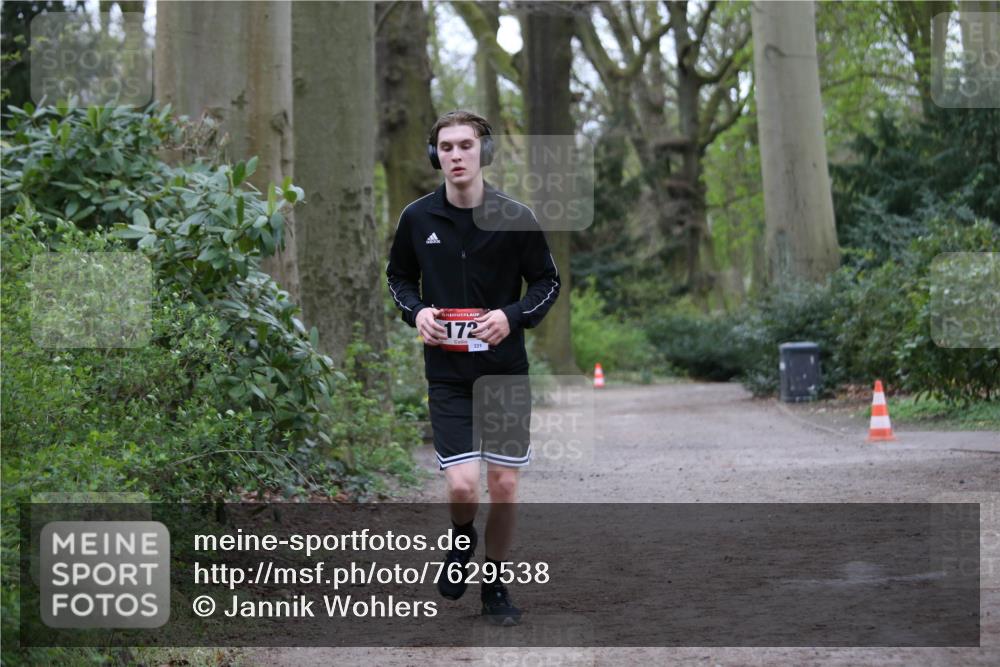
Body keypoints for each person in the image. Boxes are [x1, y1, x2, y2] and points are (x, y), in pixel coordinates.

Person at [386, 110, 560, 625]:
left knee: (504, 485)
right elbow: (398, 279)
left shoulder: (516, 216)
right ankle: (462, 542)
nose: (456, 155)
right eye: (446, 147)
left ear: (483, 152)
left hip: (504, 371)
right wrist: (417, 312)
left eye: (465, 145)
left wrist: (511, 317)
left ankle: (497, 585)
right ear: (434, 155)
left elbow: (547, 283)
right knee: (463, 486)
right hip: (448, 376)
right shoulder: (417, 219)